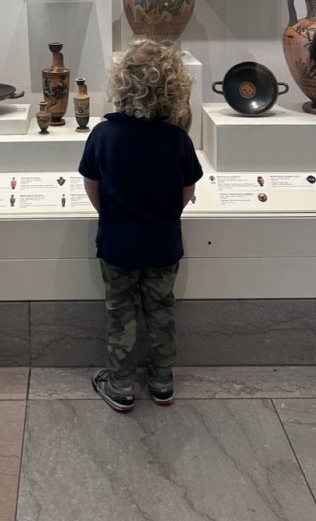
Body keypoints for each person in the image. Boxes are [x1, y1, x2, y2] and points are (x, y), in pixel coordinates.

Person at [78, 38, 202, 412]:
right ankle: (162, 381)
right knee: (161, 311)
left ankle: (120, 385)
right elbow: (187, 189)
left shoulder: (104, 135)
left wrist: (115, 217)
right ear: (174, 87)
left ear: (120, 84)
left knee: (121, 314)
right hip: (163, 244)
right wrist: (162, 216)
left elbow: (92, 186)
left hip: (118, 244)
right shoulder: (177, 139)